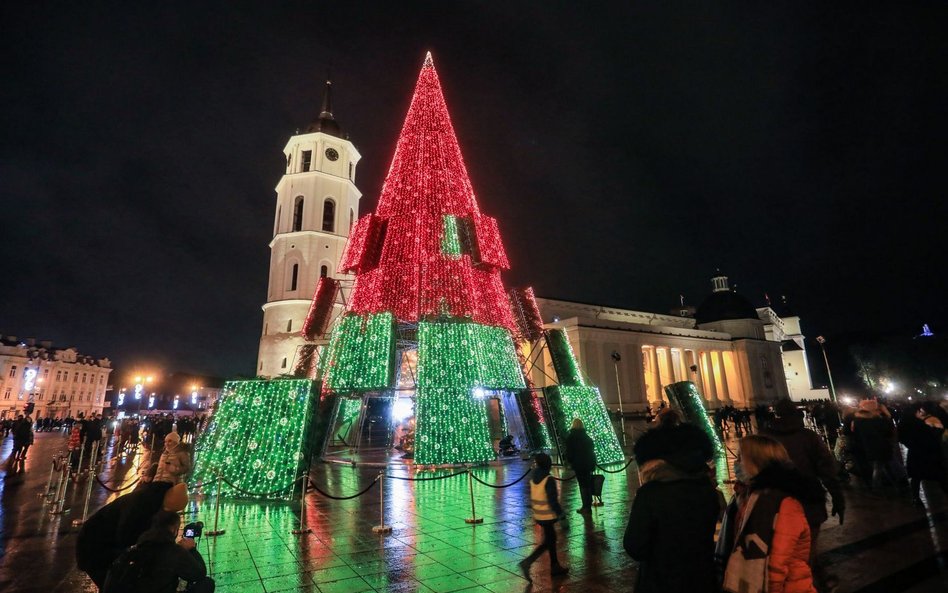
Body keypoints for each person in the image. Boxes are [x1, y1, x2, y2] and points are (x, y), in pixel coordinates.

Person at [623, 422, 721, 593]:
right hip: (702, 577)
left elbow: (635, 546)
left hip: (661, 581)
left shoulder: (651, 494)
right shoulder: (707, 488)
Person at [720, 435, 824, 593]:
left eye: (740, 457)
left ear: (757, 462)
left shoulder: (778, 501)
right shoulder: (748, 494)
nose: (736, 463)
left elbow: (776, 564)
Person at [762, 400, 843, 560]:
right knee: (808, 548)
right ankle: (810, 577)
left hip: (775, 503)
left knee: (782, 551)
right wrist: (838, 498)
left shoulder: (764, 438)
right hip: (808, 499)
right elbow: (827, 470)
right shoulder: (809, 437)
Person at [76, 482, 188, 590]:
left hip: (105, 546)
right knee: (114, 585)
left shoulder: (153, 498)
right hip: (94, 547)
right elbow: (125, 536)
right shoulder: (141, 505)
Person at [104, 510, 214, 593]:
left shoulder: (135, 549)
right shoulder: (174, 552)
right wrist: (191, 549)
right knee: (207, 583)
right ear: (173, 529)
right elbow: (199, 574)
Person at [518, 453, 569, 580]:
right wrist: (561, 515)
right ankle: (527, 562)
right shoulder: (548, 479)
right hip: (547, 514)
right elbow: (553, 500)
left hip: (538, 514)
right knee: (549, 541)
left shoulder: (533, 476)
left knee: (550, 540)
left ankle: (555, 565)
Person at [898, 402, 948, 505]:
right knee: (940, 475)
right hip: (928, 453)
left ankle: (916, 498)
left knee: (916, 477)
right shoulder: (918, 424)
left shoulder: (903, 424)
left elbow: (902, 439)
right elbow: (931, 437)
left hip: (914, 454)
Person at [564, 418, 597, 514]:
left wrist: (570, 461)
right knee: (587, 484)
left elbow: (569, 453)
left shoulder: (571, 438)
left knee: (582, 485)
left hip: (578, 465)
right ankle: (589, 504)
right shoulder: (587, 437)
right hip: (588, 464)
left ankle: (585, 506)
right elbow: (591, 451)